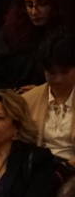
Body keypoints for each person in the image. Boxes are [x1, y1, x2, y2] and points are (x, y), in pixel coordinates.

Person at [22, 32, 75, 164]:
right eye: (52, 73)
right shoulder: (29, 99)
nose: (58, 79)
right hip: (39, 167)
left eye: (64, 72)